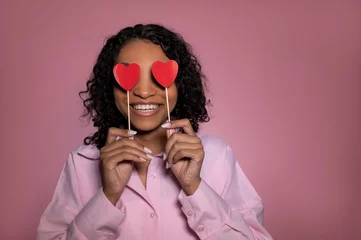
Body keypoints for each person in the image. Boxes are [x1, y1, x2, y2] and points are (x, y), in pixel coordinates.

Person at [37, 24, 273, 240]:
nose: (144, 92)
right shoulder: (82, 162)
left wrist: (195, 187)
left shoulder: (217, 155)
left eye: (158, 78)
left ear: (179, 85)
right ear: (110, 88)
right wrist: (108, 196)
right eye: (130, 78)